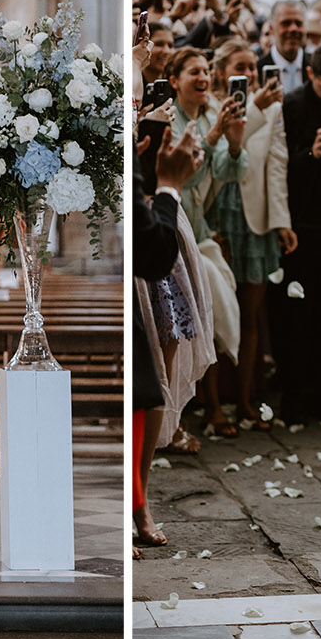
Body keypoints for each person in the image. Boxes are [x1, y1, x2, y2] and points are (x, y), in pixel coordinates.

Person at [210, 38, 295, 428]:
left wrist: (282, 221)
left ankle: (245, 401)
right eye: (238, 66)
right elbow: (216, 152)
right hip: (218, 216)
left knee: (250, 315)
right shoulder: (211, 105)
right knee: (212, 312)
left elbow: (277, 165)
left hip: (255, 217)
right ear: (222, 71)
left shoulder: (274, 109)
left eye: (252, 66)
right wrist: (253, 106)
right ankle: (212, 406)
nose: (247, 73)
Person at [163, 46, 246, 436]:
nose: (203, 78)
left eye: (206, 71)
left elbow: (230, 173)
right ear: (175, 80)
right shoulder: (168, 122)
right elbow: (184, 178)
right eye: (193, 71)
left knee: (211, 316)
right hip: (177, 232)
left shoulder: (213, 112)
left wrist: (233, 141)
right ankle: (196, 410)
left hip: (202, 232)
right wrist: (212, 137)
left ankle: (211, 405)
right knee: (193, 322)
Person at [132, 125, 203, 556]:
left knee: (154, 386)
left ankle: (141, 503)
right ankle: (133, 505)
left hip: (153, 249)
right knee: (141, 389)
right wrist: (170, 187)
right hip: (144, 250)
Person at [272, 47, 321, 423]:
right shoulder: (291, 105)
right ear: (310, 76)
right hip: (300, 227)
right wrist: (311, 154)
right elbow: (277, 165)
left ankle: (320, 392)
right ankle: (293, 396)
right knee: (294, 318)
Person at [256, 0, 309, 94]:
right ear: (272, 28)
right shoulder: (257, 71)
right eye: (286, 23)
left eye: (298, 23)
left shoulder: (316, 67)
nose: (293, 29)